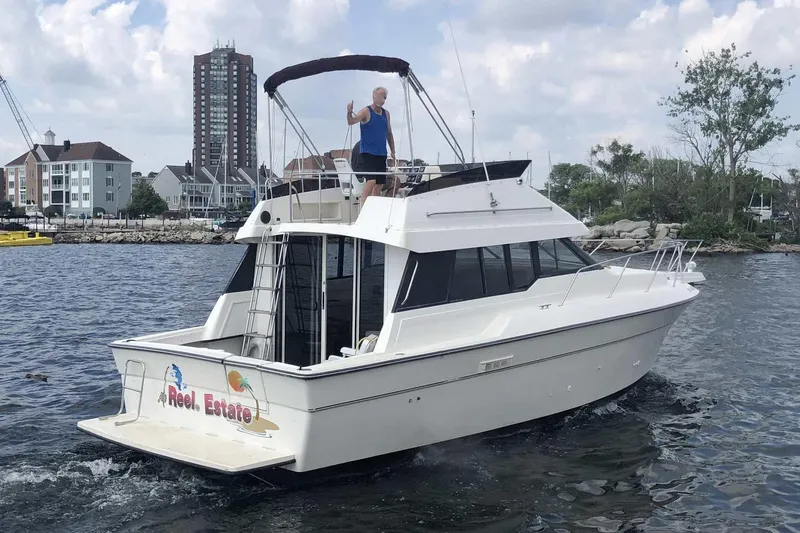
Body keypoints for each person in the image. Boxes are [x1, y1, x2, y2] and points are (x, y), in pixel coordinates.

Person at [347, 86, 396, 207]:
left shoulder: (386, 114)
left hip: (381, 153)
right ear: (374, 96)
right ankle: (363, 207)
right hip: (368, 153)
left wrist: (393, 151)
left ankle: (375, 209)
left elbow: (389, 133)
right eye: (380, 96)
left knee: (379, 183)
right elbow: (351, 121)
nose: (383, 99)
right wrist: (349, 112)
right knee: (371, 181)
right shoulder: (366, 111)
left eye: (384, 97)